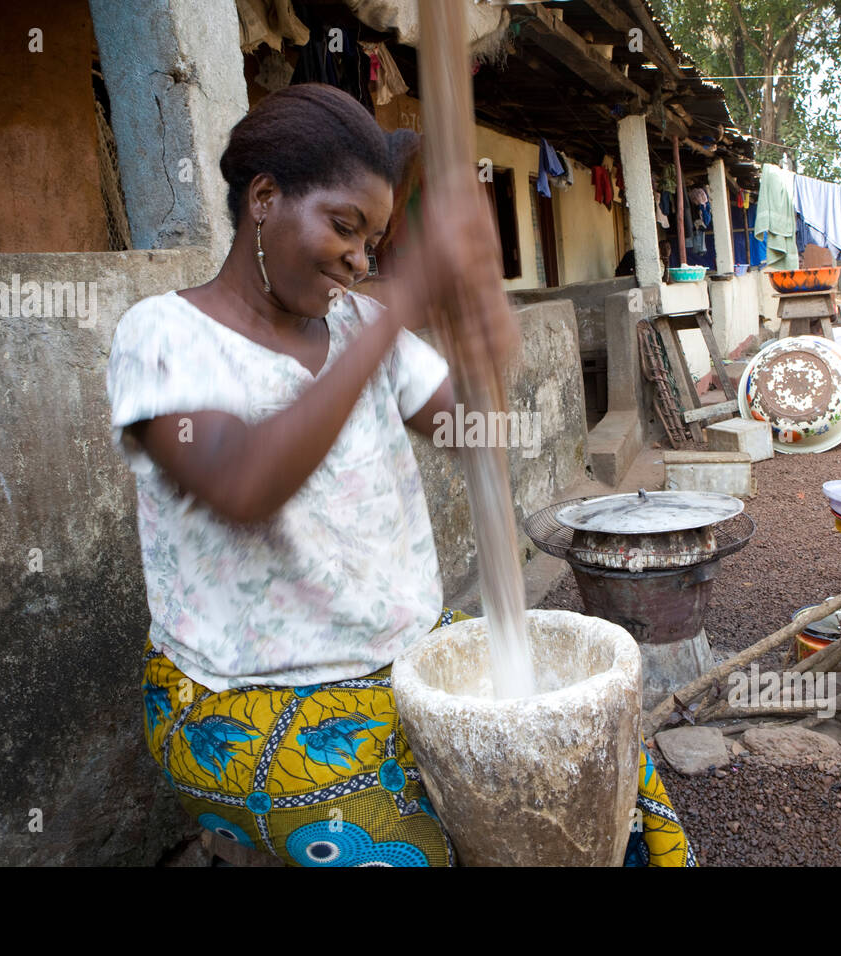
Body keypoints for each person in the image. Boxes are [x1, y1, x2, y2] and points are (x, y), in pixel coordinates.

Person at [107, 83, 694, 867]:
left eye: (374, 241)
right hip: (242, 695)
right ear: (265, 197)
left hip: (404, 658)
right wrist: (401, 303)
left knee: (609, 780)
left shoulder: (355, 322)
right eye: (344, 228)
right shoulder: (163, 334)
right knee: (418, 854)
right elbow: (245, 487)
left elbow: (470, 433)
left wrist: (476, 338)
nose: (359, 259)